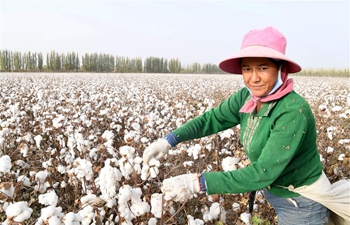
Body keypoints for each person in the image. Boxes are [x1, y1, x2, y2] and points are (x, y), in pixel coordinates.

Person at [142, 26, 349, 224]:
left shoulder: (292, 110)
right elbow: (212, 119)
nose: (254, 78)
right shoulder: (248, 97)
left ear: (281, 69)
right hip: (277, 193)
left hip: (301, 203)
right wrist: (169, 140)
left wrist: (199, 183)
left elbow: (263, 172)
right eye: (247, 68)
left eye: (263, 68)